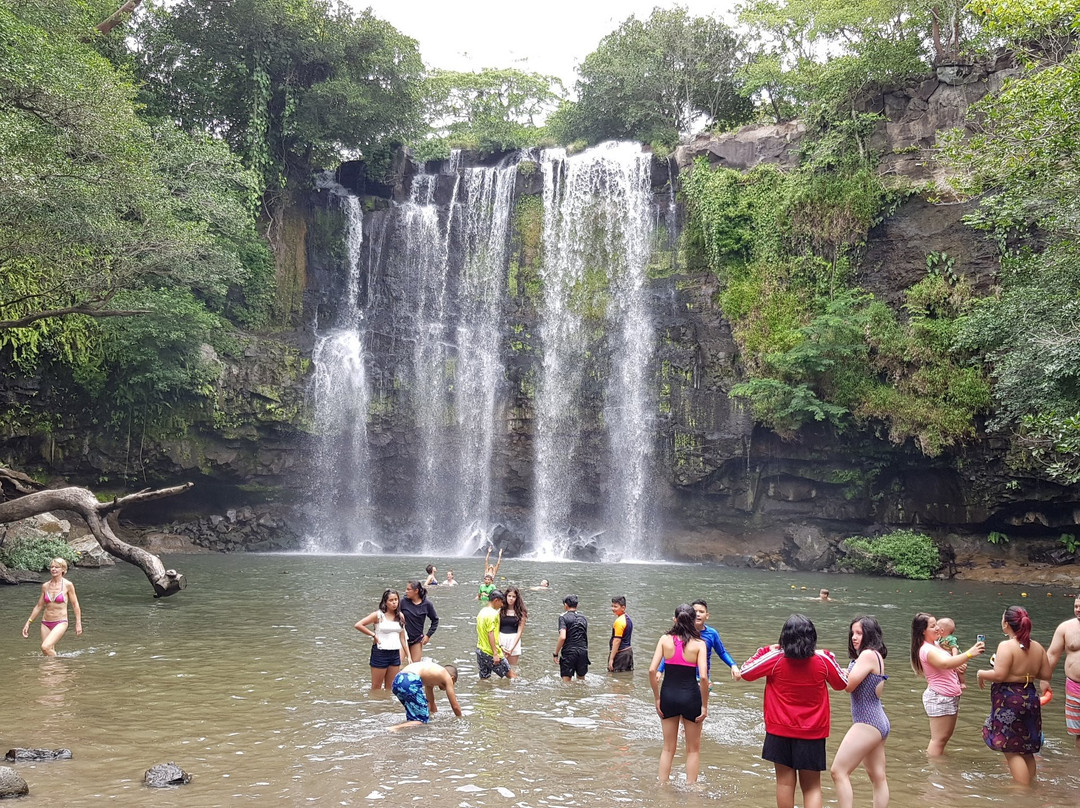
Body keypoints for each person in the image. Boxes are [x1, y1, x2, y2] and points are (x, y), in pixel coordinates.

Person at [740, 614, 847, 808]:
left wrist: (764, 650)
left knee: (784, 783)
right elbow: (842, 684)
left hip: (779, 730)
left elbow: (745, 672)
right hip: (813, 732)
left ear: (784, 637)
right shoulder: (823, 660)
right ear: (812, 637)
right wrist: (831, 656)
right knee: (812, 787)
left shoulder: (775, 658)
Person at [978, 606, 1053, 785]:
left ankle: (1022, 792)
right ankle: (1032, 786)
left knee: (1011, 748)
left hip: (1010, 700)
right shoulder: (1037, 647)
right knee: (1026, 748)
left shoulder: (1006, 646)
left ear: (1006, 624)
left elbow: (999, 675)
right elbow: (1046, 674)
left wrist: (981, 672)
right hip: (1030, 698)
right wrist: (1025, 673)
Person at [831, 616, 890, 808]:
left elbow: (848, 686)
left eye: (859, 633)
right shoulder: (874, 655)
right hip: (879, 721)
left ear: (869, 635)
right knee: (878, 777)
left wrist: (829, 670)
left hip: (868, 721)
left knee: (838, 771)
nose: (854, 637)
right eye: (853, 633)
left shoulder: (867, 655)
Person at [648, 604, 709, 783]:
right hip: (691, 697)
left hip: (668, 695)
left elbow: (652, 670)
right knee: (693, 749)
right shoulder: (699, 644)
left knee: (668, 748)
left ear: (674, 619)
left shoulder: (664, 640)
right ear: (693, 621)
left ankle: (663, 785)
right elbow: (704, 677)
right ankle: (691, 789)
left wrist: (657, 697)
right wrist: (704, 706)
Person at [909, 612, 984, 756]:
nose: (937, 628)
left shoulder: (936, 644)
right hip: (939, 697)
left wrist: (959, 665)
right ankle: (935, 771)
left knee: (943, 739)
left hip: (947, 696)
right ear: (923, 631)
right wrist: (969, 654)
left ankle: (938, 770)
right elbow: (944, 663)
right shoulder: (926, 649)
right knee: (938, 740)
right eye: (933, 626)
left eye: (936, 624)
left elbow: (948, 664)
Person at [658, 599, 741, 680]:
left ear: (707, 616)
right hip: (684, 677)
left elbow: (722, 652)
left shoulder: (712, 633)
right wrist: (659, 670)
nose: (698, 614)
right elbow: (669, 653)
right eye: (695, 611)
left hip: (703, 678)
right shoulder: (683, 632)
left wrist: (733, 665)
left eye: (701, 612)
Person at [21, 557, 82, 656]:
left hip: (60, 622)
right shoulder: (45, 586)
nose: (53, 569)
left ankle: (60, 668)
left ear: (63, 569)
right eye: (52, 567)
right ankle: (52, 671)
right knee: (47, 652)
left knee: (45, 647)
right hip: (45, 623)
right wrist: (28, 622)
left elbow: (75, 605)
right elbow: (39, 606)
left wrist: (78, 623)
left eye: (56, 567)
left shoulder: (68, 585)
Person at [355, 589, 408, 690]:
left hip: (394, 653)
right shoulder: (378, 615)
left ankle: (386, 706)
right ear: (385, 602)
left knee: (391, 687)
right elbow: (358, 625)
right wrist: (373, 635)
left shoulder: (400, 616)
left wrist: (408, 656)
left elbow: (402, 638)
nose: (394, 602)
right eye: (391, 600)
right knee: (376, 687)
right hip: (380, 652)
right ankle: (375, 705)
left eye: (396, 599)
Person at [1046, 593, 1080, 749]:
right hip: (1074, 687)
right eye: (1076, 606)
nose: (1078, 609)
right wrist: (1045, 679)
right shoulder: (1065, 628)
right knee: (1078, 733)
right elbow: (1052, 654)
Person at [389, 661, 462, 730]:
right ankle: (395, 728)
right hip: (409, 680)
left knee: (414, 717)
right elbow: (455, 706)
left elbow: (431, 702)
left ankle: (406, 729)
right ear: (452, 678)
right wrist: (461, 720)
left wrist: (433, 716)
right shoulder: (447, 677)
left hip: (397, 680)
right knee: (422, 721)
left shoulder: (431, 676)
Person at [476, 590, 514, 679]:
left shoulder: (482, 611)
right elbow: (490, 633)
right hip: (490, 652)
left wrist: (500, 646)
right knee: (512, 677)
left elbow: (483, 631)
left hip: (480, 650)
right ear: (496, 600)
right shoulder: (493, 614)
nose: (502, 605)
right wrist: (495, 653)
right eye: (501, 602)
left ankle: (483, 693)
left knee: (484, 679)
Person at [401, 580, 440, 664]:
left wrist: (428, 635)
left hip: (417, 639)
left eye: (408, 589)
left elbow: (435, 620)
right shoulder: (403, 602)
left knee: (415, 668)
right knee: (397, 665)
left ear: (416, 591)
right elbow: (392, 613)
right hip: (402, 638)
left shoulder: (427, 604)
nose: (406, 591)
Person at [553, 594, 589, 681]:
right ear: (577, 605)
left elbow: (562, 637)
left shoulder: (563, 617)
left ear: (565, 605)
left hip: (569, 652)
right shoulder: (583, 618)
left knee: (566, 683)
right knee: (581, 680)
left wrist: (556, 653)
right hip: (583, 651)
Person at [498, 586, 527, 671]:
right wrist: (500, 645)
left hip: (514, 640)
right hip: (501, 639)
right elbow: (496, 629)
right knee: (499, 668)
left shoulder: (521, 613)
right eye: (509, 596)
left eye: (513, 596)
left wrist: (511, 648)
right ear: (505, 596)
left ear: (517, 598)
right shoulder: (500, 610)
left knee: (512, 669)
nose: (511, 598)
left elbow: (520, 631)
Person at [936, 616, 965, 690]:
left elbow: (954, 648)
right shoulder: (940, 638)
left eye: (937, 628)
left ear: (942, 630)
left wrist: (954, 657)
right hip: (950, 658)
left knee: (959, 671)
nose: (935, 629)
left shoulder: (950, 639)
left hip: (957, 656)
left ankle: (962, 683)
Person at [608, 596, 634, 672]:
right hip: (628, 653)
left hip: (620, 654)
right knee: (625, 676)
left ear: (623, 608)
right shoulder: (627, 618)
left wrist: (611, 659)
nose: (613, 609)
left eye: (615, 607)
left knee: (615, 677)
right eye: (612, 606)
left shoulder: (619, 621)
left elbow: (617, 641)